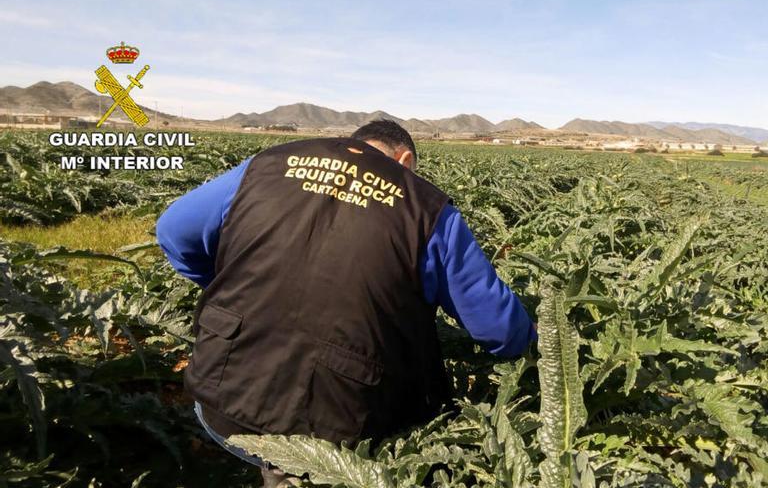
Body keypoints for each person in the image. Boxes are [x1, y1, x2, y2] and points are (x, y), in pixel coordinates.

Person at [155, 120, 535, 486]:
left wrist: (229, 286)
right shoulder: (427, 209)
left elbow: (172, 231)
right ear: (404, 162)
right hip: (342, 423)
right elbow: (499, 329)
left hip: (222, 395)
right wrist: (538, 341)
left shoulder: (266, 165)